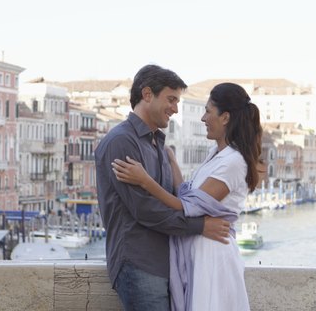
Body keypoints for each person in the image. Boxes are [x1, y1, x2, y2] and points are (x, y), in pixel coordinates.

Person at [112, 82, 263, 311]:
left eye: (208, 111)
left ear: (225, 118)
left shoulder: (233, 162)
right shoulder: (217, 154)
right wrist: (172, 161)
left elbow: (184, 205)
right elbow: (188, 193)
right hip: (201, 254)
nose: (203, 118)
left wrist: (144, 180)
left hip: (213, 256)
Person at [95, 64, 232, 311]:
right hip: (139, 263)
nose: (175, 109)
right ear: (147, 95)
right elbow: (145, 209)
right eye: (171, 99)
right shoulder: (121, 142)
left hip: (161, 265)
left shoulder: (158, 145)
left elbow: (171, 197)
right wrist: (200, 226)